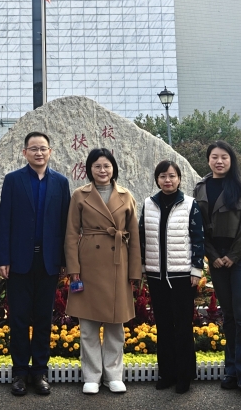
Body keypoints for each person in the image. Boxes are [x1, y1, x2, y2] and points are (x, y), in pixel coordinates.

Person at [0, 131, 71, 396]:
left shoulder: (60, 182)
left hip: (48, 261)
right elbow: (4, 220)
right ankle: (19, 372)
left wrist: (65, 260)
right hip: (19, 261)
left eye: (43, 148)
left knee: (43, 319)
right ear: (25, 152)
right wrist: (3, 258)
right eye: (34, 149)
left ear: (50, 151)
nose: (39, 153)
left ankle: (39, 372)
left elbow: (65, 224)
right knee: (18, 318)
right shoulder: (13, 180)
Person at [65, 148, 141, 395]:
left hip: (118, 262)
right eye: (97, 166)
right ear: (89, 169)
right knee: (88, 325)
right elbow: (71, 234)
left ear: (113, 168)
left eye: (106, 165)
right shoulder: (80, 195)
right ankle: (91, 376)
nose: (102, 170)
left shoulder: (126, 195)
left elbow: (135, 236)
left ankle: (113, 375)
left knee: (115, 325)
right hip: (88, 262)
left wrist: (135, 271)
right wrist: (73, 268)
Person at [193, 140, 241, 399]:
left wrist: (233, 255)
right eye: (214, 157)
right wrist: (213, 255)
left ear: (231, 160)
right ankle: (231, 370)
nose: (219, 161)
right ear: (208, 160)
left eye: (224, 157)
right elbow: (198, 225)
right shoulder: (201, 187)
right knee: (228, 315)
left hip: (240, 256)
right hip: (216, 258)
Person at [139, 160, 204, 394]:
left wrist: (196, 270)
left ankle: (185, 376)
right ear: (157, 179)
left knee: (183, 327)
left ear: (179, 179)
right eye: (163, 176)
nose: (168, 180)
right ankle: (167, 374)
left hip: (182, 276)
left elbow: (198, 238)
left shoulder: (190, 204)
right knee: (163, 325)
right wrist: (143, 267)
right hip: (156, 275)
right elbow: (142, 237)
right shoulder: (149, 204)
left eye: (172, 176)